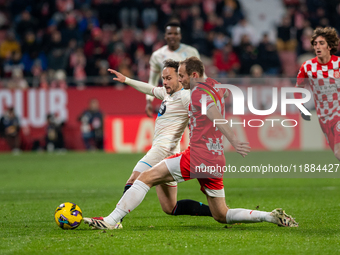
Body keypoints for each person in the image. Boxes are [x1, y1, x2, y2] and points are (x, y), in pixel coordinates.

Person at [84, 57, 298, 230]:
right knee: (221, 214)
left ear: (193, 75)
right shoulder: (214, 85)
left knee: (145, 178)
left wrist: (234, 138)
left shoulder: (195, 95)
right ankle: (269, 217)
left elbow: (213, 113)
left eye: (182, 76)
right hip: (215, 159)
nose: (181, 80)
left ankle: (111, 221)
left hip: (197, 155)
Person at [106, 59, 212, 229]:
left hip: (163, 150)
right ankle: (218, 211)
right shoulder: (167, 94)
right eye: (163, 78)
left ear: (180, 77)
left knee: (134, 178)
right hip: (169, 153)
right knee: (170, 207)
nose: (165, 82)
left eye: (169, 78)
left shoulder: (185, 96)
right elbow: (150, 89)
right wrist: (127, 80)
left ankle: (115, 221)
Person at [295, 27, 340, 161]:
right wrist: (302, 108)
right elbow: (298, 89)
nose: (317, 47)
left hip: (339, 113)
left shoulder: (338, 63)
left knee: (338, 151)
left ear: (330, 46)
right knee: (337, 154)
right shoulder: (307, 67)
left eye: (321, 43)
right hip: (324, 118)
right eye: (315, 44)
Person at [145, 21, 203, 118]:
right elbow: (152, 81)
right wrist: (149, 101)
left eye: (175, 33)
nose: (172, 36)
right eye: (170, 33)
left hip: (189, 99)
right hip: (169, 101)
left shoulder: (191, 52)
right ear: (165, 36)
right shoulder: (157, 55)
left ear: (180, 36)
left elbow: (200, 77)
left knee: (194, 130)